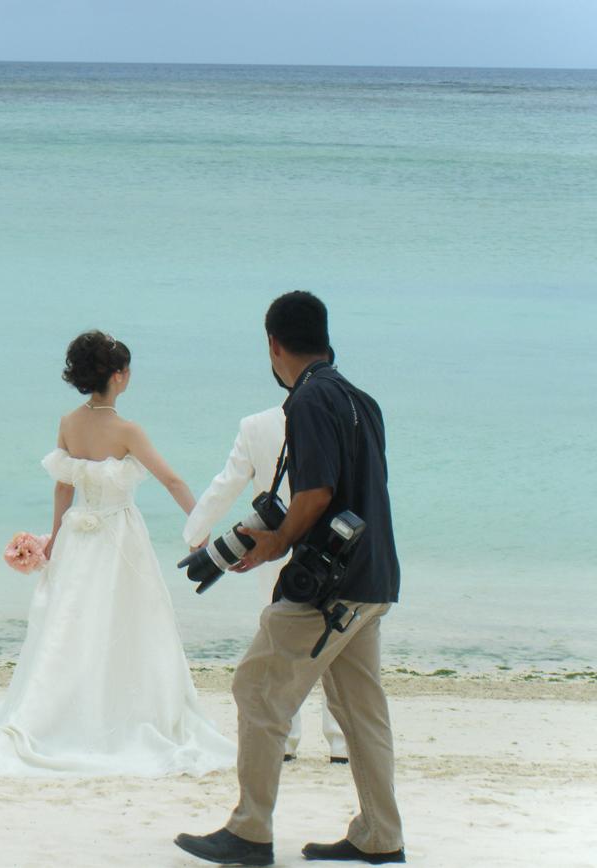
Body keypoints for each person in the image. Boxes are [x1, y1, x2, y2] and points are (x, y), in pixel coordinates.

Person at [0, 330, 235, 776]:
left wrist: (55, 539)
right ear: (117, 375)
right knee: (130, 621)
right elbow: (172, 480)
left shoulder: (69, 423)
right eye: (127, 371)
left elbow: (63, 489)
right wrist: (199, 528)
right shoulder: (128, 431)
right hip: (120, 535)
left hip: (78, 536)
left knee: (72, 626)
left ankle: (68, 711)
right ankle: (117, 711)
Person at [175, 292, 404, 866]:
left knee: (256, 689)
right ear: (324, 337)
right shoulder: (361, 399)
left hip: (328, 587)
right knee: (361, 711)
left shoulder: (307, 400)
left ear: (273, 344)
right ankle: (380, 835)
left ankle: (250, 832)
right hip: (373, 578)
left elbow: (316, 493)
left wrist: (275, 544)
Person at [184, 403, 349, 765]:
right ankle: (340, 742)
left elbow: (227, 483)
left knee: (280, 643)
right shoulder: (340, 416)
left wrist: (197, 533)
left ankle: (286, 738)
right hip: (332, 547)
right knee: (334, 638)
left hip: (272, 545)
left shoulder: (255, 426)